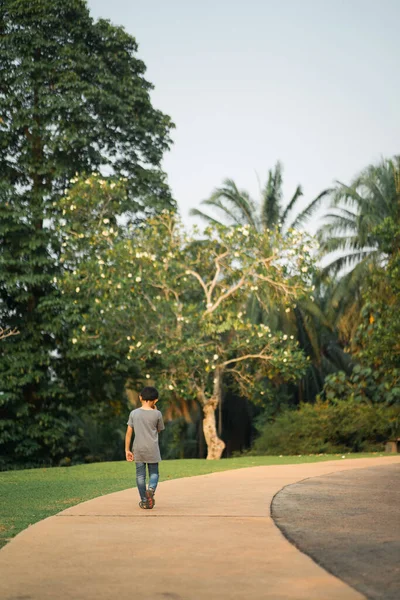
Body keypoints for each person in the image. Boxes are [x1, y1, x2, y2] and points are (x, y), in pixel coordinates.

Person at [125, 386, 165, 509]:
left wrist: (127, 450)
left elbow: (129, 433)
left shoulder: (134, 413)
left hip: (138, 449)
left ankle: (144, 500)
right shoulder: (157, 414)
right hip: (152, 449)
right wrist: (155, 411)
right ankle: (151, 489)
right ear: (155, 400)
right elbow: (159, 430)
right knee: (154, 473)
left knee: (140, 476)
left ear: (140, 397)